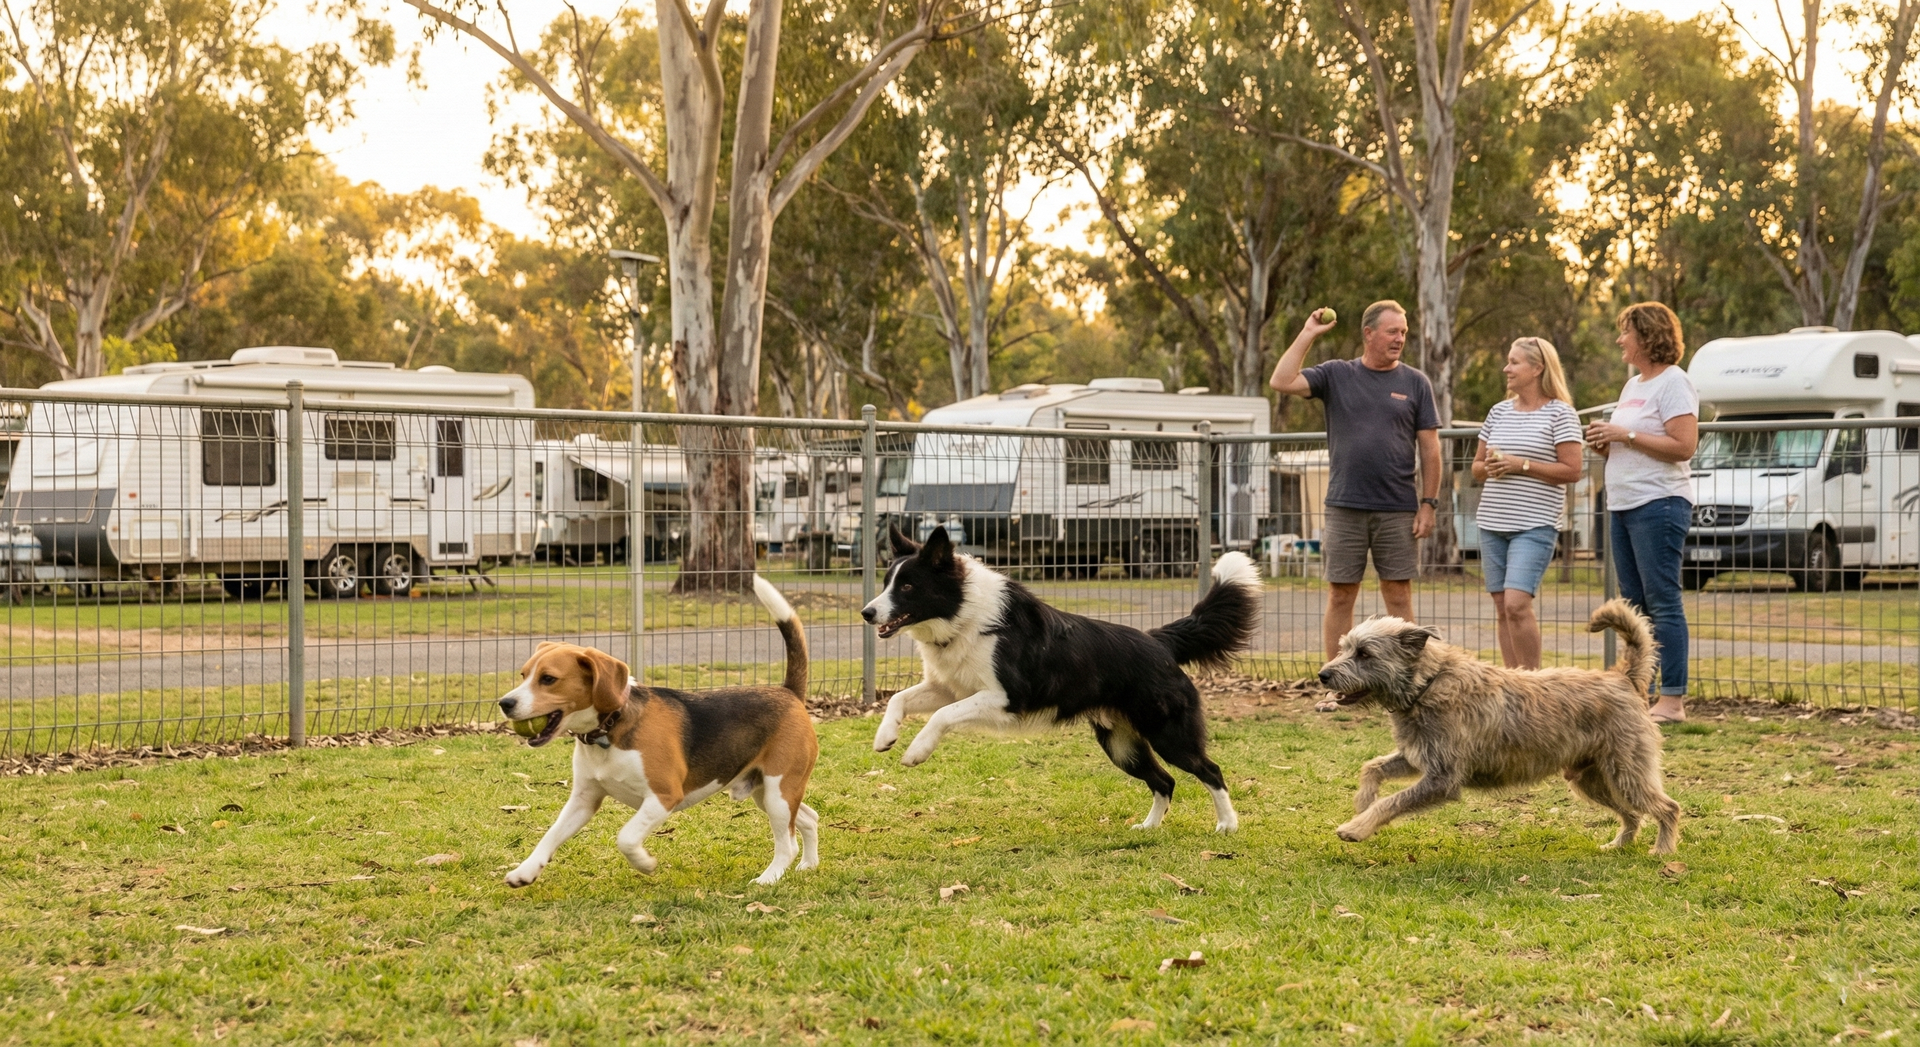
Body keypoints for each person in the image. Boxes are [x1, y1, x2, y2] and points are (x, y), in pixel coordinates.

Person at [1270, 301, 1441, 708]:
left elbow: (1431, 450)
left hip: (1398, 507)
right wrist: (1309, 332)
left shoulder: (1416, 383)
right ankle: (1338, 686)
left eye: (1403, 332)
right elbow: (1281, 380)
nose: (1400, 338)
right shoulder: (1337, 374)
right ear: (1369, 333)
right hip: (1344, 505)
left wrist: (1428, 503)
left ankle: (1407, 688)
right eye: (1392, 331)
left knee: (1398, 595)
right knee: (1340, 595)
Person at [1584, 302, 1699, 723]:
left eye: (1625, 332)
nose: (1619, 340)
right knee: (1633, 605)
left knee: (1662, 600)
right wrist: (1607, 441)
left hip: (1659, 503)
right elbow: (1633, 440)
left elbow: (1683, 446)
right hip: (1623, 504)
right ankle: (1636, 695)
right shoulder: (1633, 385)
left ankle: (1672, 699)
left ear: (1648, 336)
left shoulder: (1675, 382)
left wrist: (1625, 434)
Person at [1470, 337, 1584, 669]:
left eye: (1514, 362)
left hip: (1534, 525)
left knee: (1518, 605)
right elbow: (1476, 467)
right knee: (1503, 607)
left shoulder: (1561, 414)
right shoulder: (1498, 412)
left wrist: (1521, 464)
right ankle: (1512, 686)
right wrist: (1490, 468)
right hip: (1492, 523)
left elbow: (1572, 470)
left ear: (1537, 368)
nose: (1506, 368)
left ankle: (1535, 688)